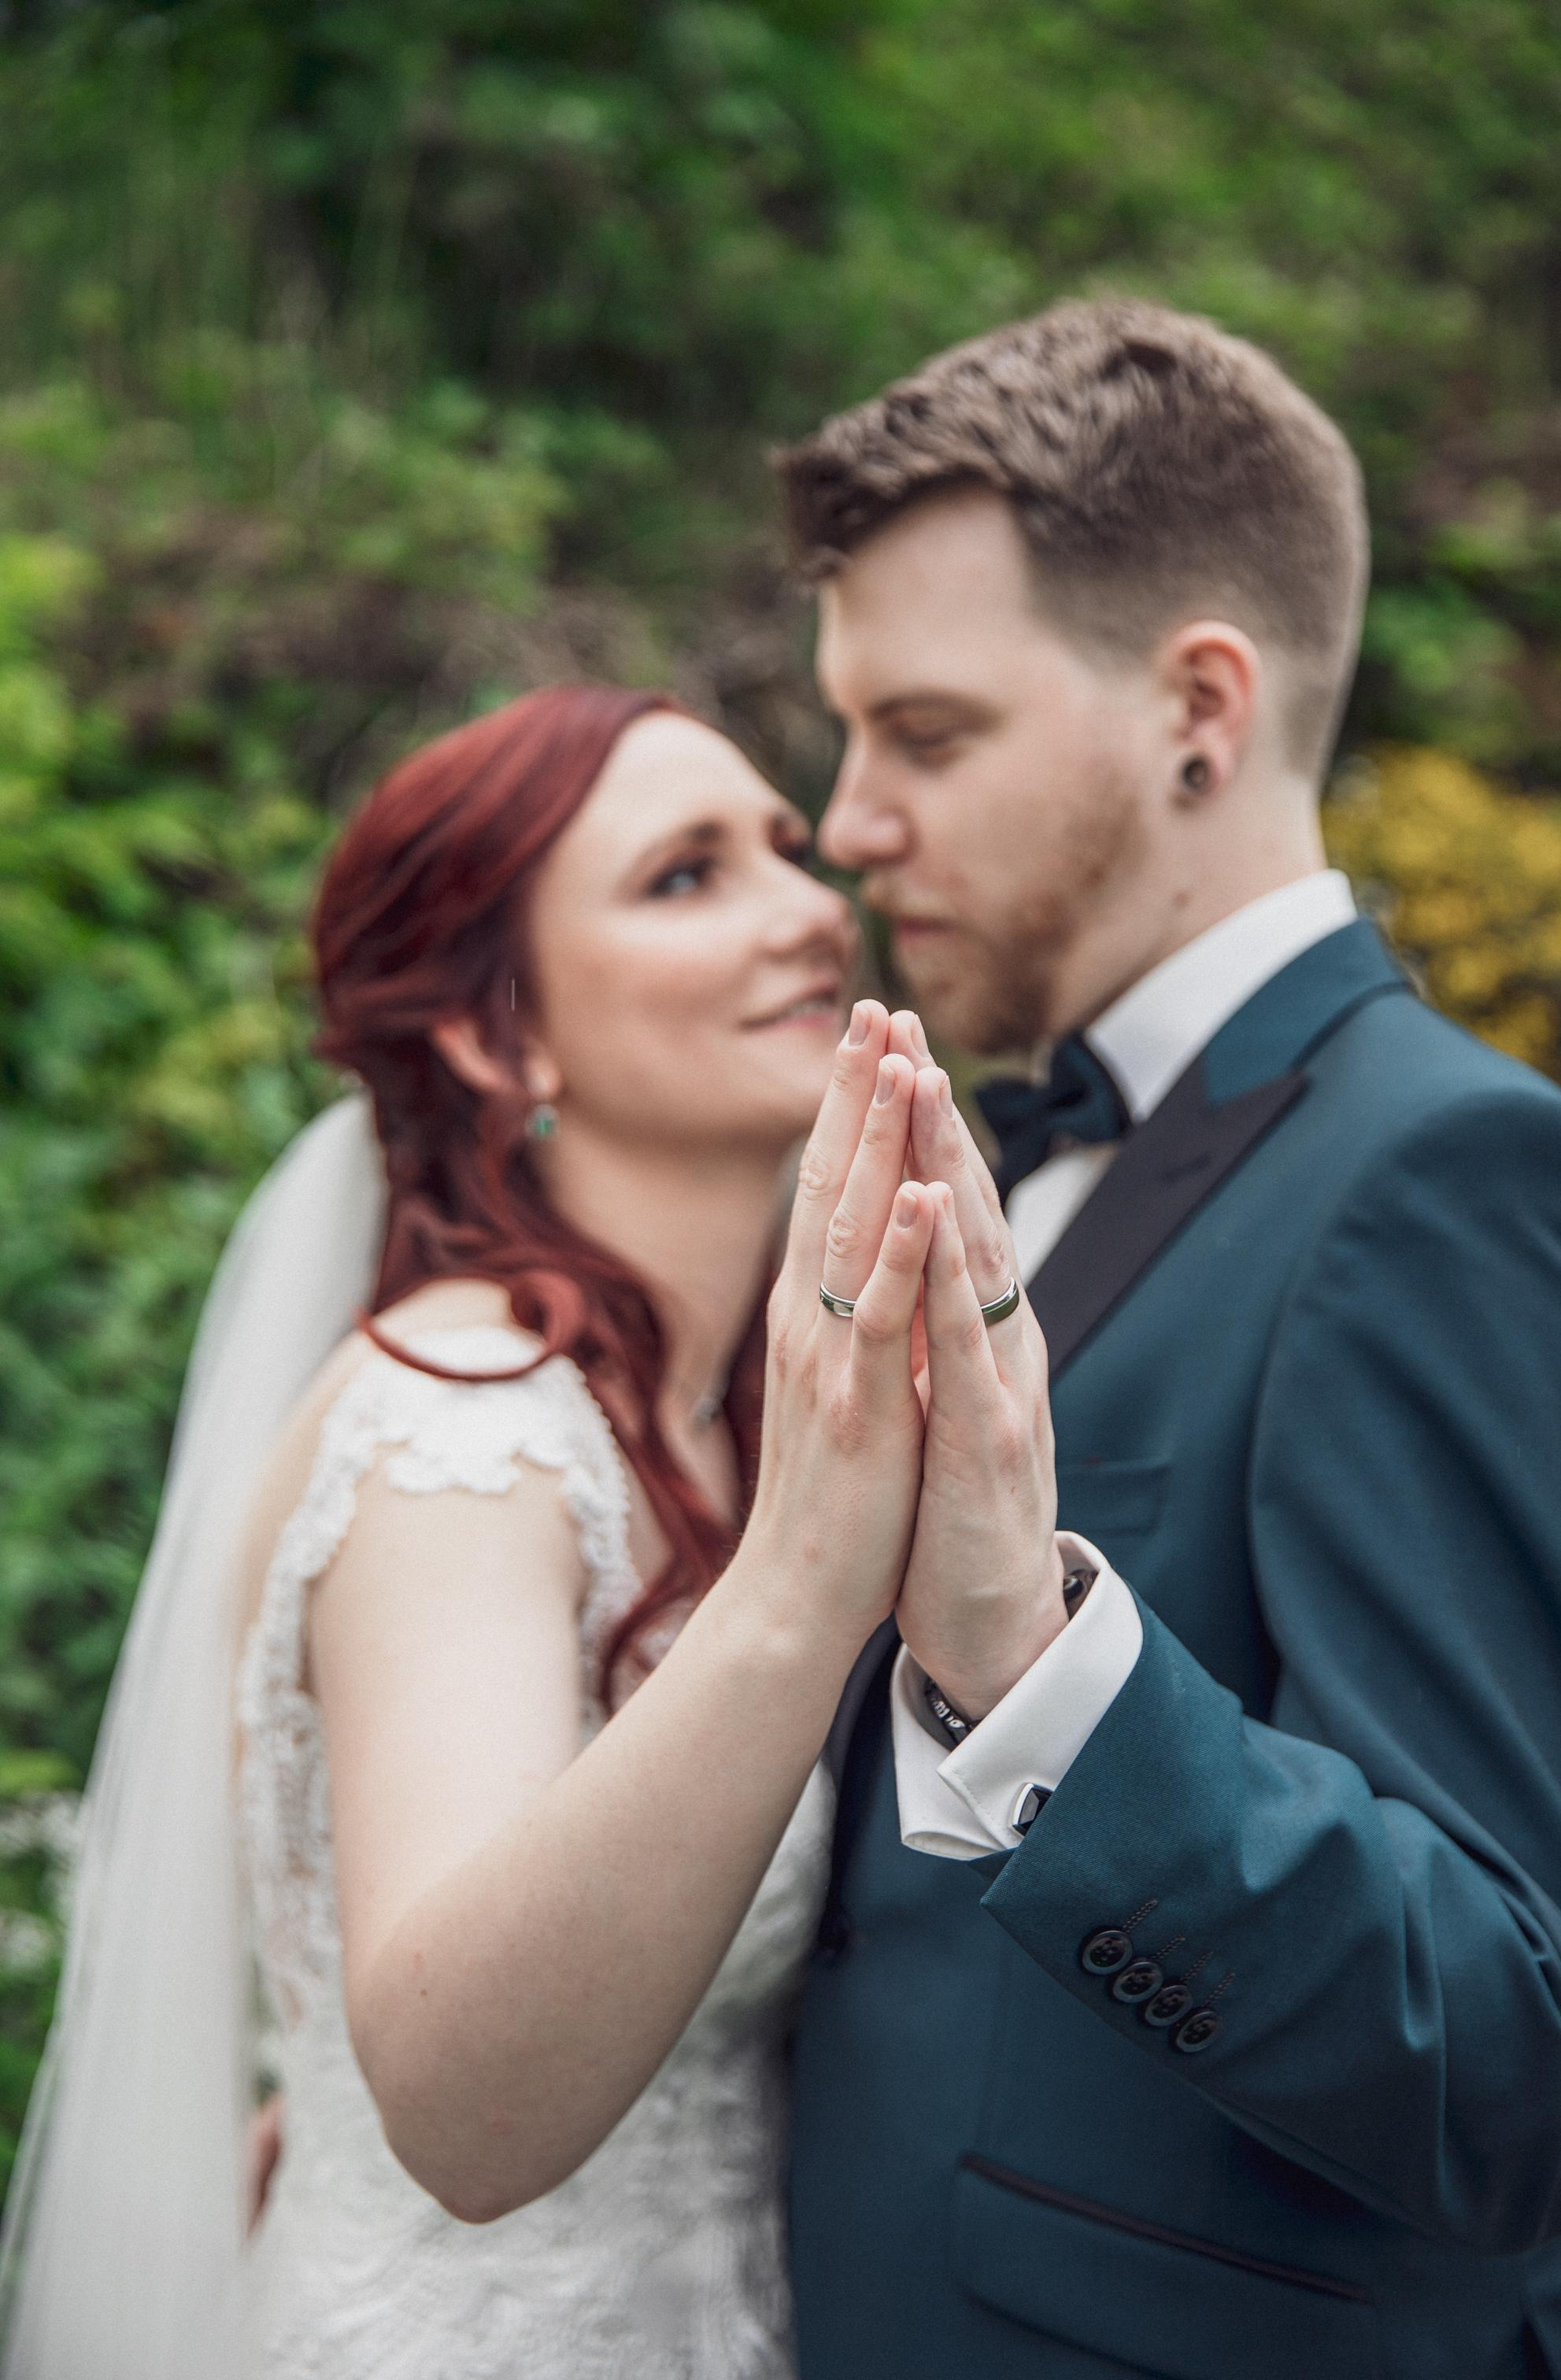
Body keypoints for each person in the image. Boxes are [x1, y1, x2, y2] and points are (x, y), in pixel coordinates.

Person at [0, 683, 1056, 2378]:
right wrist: (802, 1581)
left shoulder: (705, 1427)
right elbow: (462, 2112)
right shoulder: (463, 1435)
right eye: (686, 877)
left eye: (785, 851)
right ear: (503, 1042)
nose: (809, 911)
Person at [776, 300, 1561, 2378]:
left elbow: (1516, 2051)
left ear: (1199, 711)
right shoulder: (1005, 1153)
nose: (852, 821)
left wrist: (1041, 1673)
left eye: (927, 735)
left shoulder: (1444, 1174)